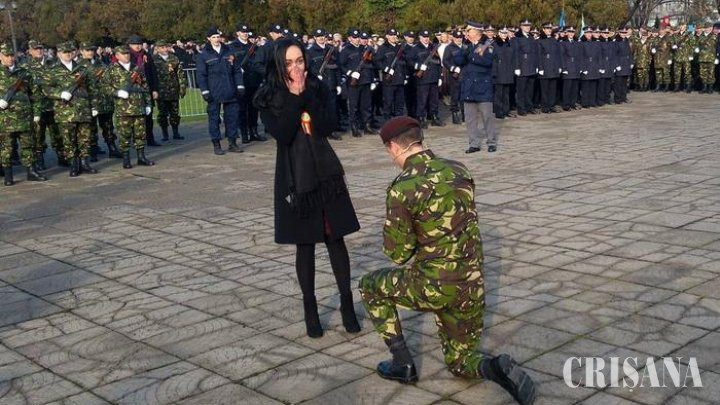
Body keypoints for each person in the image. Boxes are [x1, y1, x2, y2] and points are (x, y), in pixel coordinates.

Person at [359, 116, 536, 405]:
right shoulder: (458, 169)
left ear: (394, 146)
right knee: (460, 362)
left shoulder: (402, 187)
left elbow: (398, 254)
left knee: (370, 285)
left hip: (434, 286)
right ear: (419, 139)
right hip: (471, 286)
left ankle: (402, 364)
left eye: (388, 151)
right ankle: (494, 367)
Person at [253, 38, 361, 338]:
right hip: (295, 177)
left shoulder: (318, 87)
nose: (295, 68)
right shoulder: (268, 96)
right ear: (278, 65)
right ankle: (310, 309)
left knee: (335, 239)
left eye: (299, 61)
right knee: (306, 244)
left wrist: (308, 97)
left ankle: (347, 304)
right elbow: (283, 133)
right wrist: (294, 97)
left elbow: (328, 126)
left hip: (326, 174)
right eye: (288, 63)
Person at [44, 41, 99, 177]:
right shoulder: (53, 70)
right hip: (65, 111)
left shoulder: (83, 69)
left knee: (85, 138)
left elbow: (92, 88)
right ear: (58, 54)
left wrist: (94, 106)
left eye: (70, 52)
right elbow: (46, 89)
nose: (68, 54)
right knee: (69, 139)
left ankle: (85, 163)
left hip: (83, 109)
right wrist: (59, 94)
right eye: (65, 52)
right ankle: (74, 164)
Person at [0, 43, 47, 185]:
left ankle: (31, 171)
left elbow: (35, 94)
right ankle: (8, 175)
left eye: (11, 55)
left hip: (24, 116)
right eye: (6, 56)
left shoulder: (24, 73)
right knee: (6, 147)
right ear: (1, 56)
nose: (10, 58)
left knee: (28, 145)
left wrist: (36, 112)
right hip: (5, 118)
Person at [104, 45, 155, 169]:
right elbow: (105, 87)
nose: (126, 55)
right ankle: (126, 159)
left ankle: (141, 157)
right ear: (117, 56)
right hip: (123, 108)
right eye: (123, 54)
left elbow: (144, 87)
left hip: (138, 106)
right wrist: (117, 93)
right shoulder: (111, 70)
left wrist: (148, 104)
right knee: (124, 134)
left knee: (140, 133)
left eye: (127, 53)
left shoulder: (137, 68)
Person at [197, 27, 245, 155]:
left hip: (230, 90)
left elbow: (236, 70)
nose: (216, 39)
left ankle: (232, 143)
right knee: (214, 119)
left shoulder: (228, 51)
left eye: (218, 36)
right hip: (214, 91)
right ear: (208, 39)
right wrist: (205, 91)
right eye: (213, 37)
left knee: (232, 118)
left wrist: (240, 85)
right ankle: (216, 144)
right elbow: (201, 75)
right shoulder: (203, 55)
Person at [455, 21, 499, 154]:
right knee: (470, 119)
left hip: (482, 86)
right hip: (468, 87)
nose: (467, 33)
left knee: (487, 117)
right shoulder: (466, 46)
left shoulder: (488, 45)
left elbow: (487, 61)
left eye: (469, 31)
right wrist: (466, 51)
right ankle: (474, 143)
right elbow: (457, 61)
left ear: (477, 32)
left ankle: (491, 142)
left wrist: (471, 56)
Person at [127, 35, 160, 147]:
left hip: (147, 88)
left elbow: (153, 72)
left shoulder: (146, 55)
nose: (138, 46)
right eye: (135, 44)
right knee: (133, 116)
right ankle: (135, 139)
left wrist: (155, 89)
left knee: (148, 115)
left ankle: (150, 138)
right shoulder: (127, 56)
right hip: (133, 90)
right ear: (130, 45)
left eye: (139, 44)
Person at [152, 39, 187, 141]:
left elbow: (180, 74)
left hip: (173, 90)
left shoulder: (174, 58)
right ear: (157, 49)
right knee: (163, 113)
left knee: (174, 113)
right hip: (161, 91)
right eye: (162, 47)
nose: (165, 49)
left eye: (166, 47)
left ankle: (176, 132)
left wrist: (182, 88)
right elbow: (152, 76)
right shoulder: (153, 60)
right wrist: (154, 90)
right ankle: (165, 133)